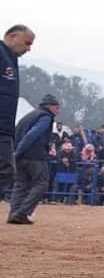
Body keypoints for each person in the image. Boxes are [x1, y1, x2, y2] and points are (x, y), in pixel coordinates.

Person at [8, 93, 59, 224]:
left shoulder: (28, 116)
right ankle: (22, 213)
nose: (58, 110)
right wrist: (19, 151)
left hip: (21, 156)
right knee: (41, 183)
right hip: (35, 156)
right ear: (50, 106)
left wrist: (16, 153)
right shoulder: (45, 117)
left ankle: (13, 214)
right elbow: (33, 134)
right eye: (57, 107)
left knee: (21, 185)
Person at [1, 25, 34, 205]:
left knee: (5, 170)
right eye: (27, 43)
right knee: (5, 170)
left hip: (5, 127)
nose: (28, 48)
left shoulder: (10, 59)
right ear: (13, 36)